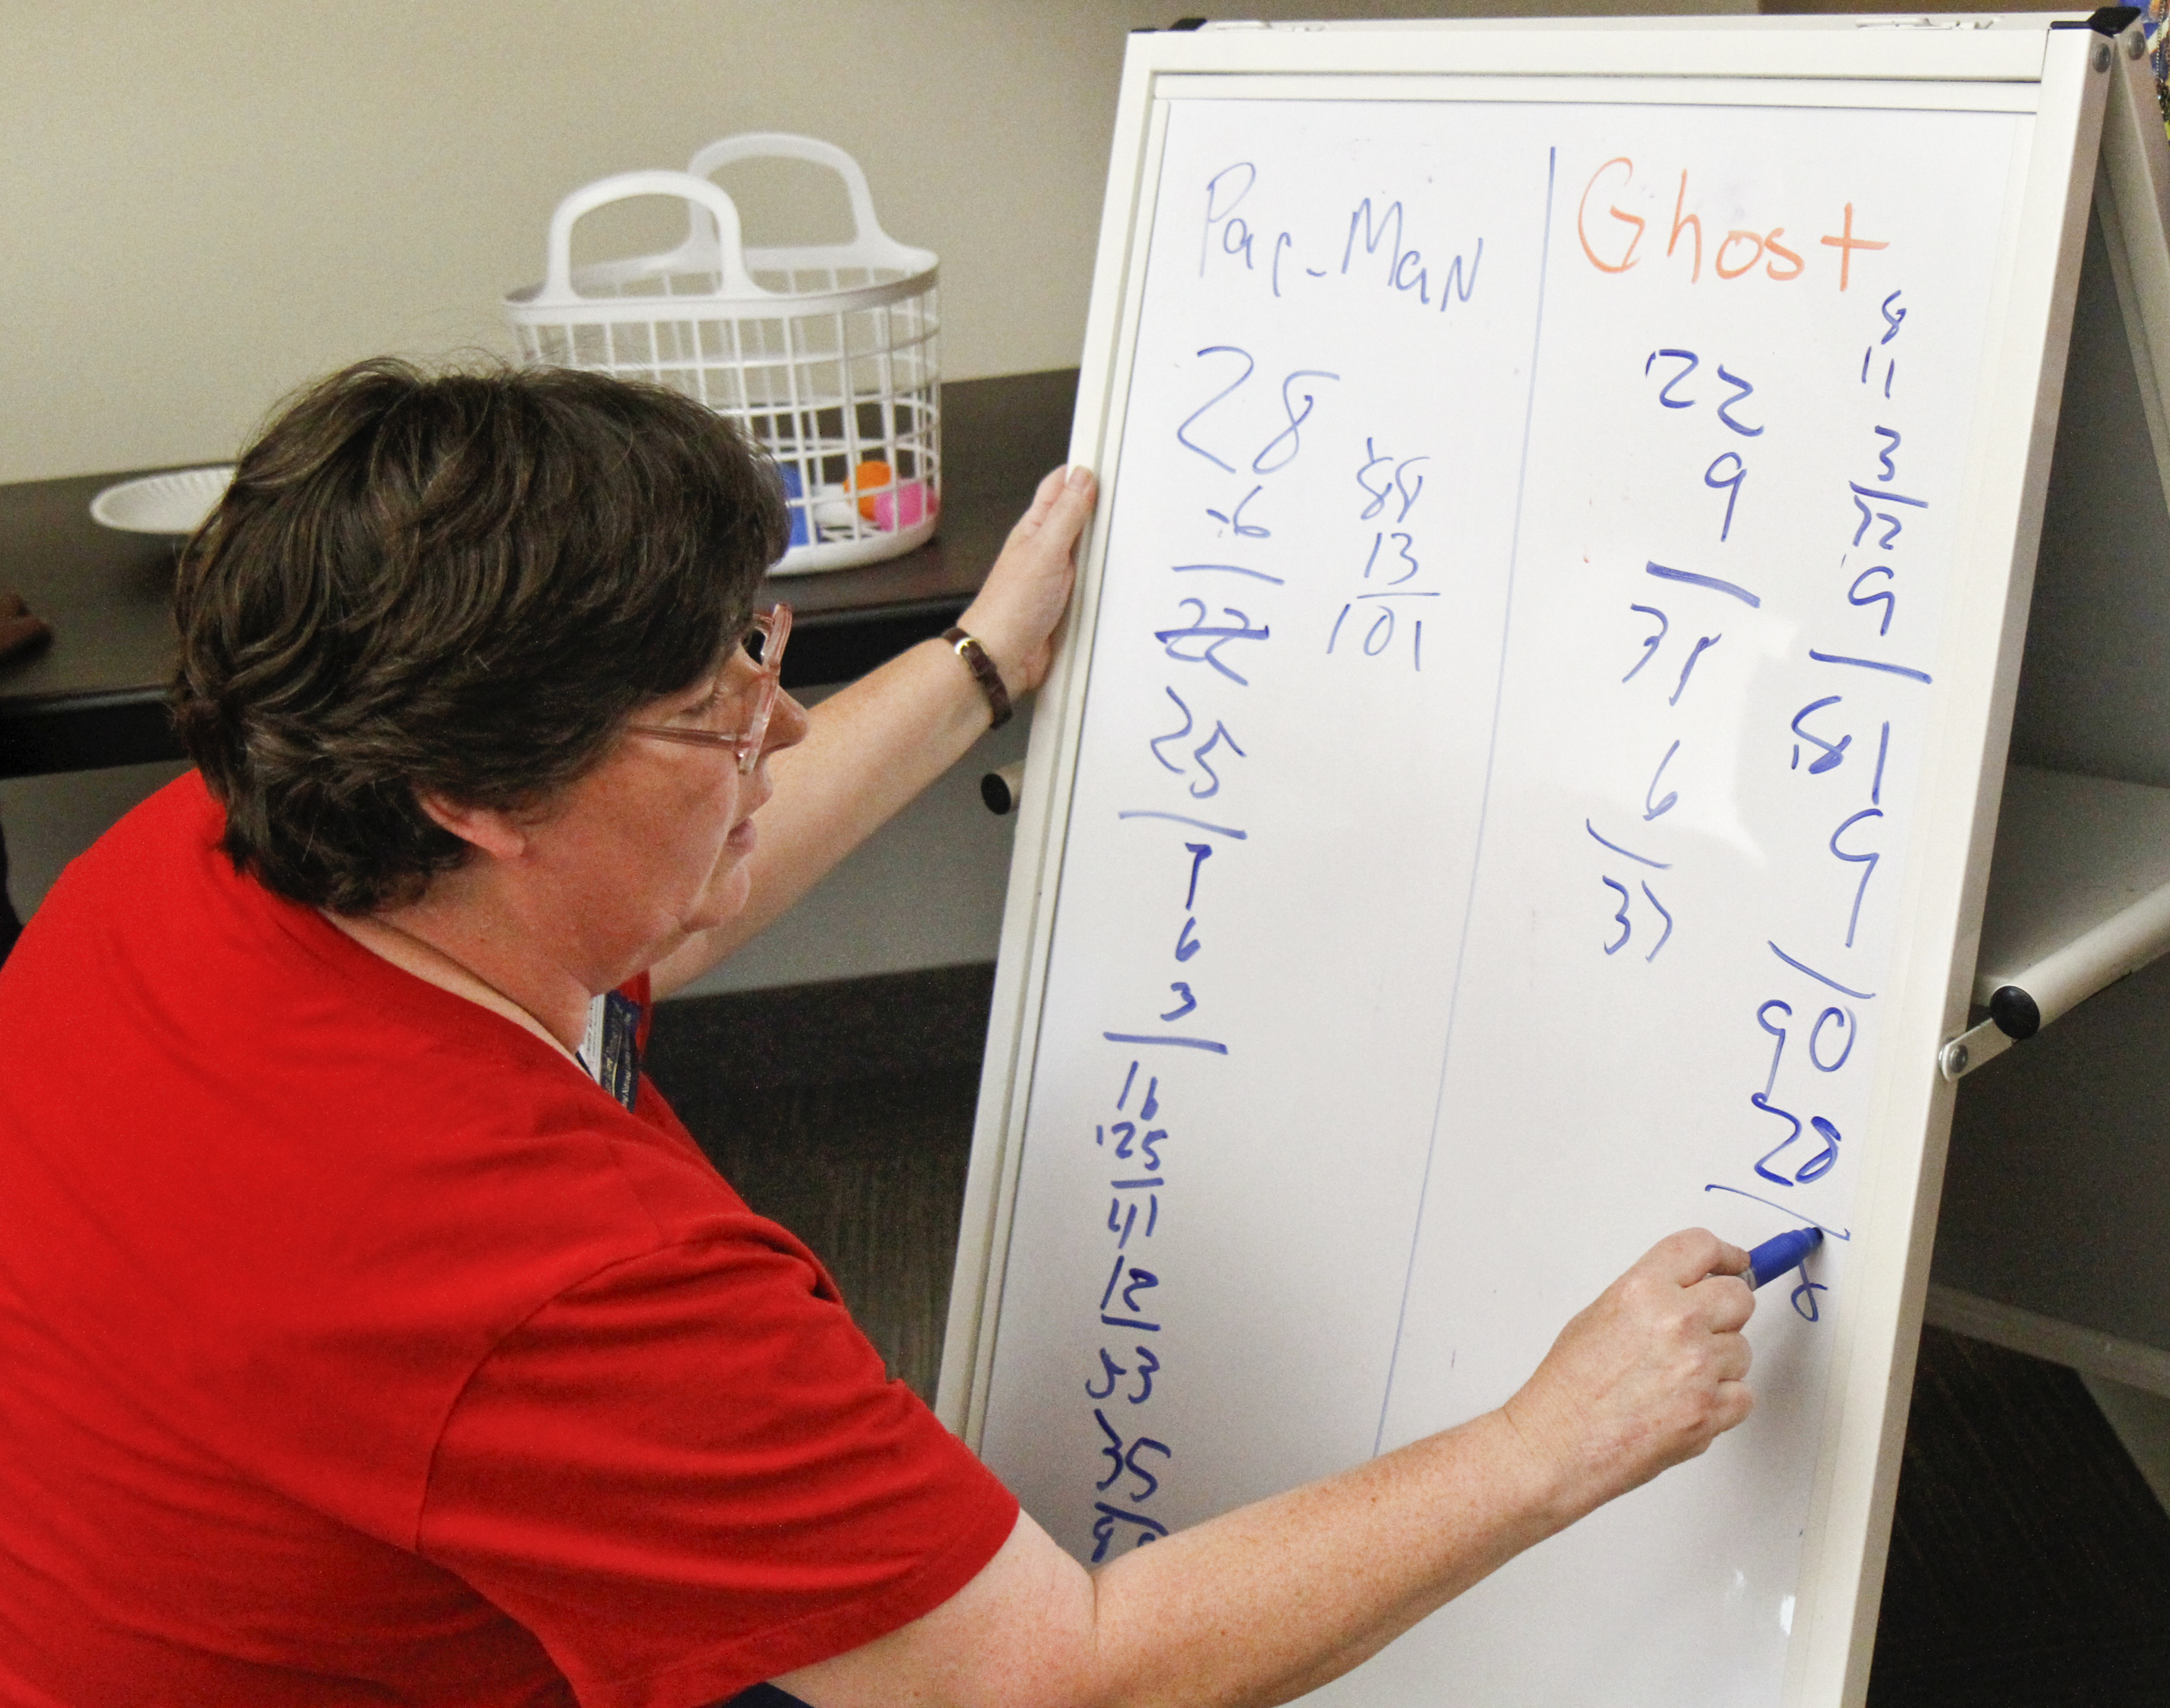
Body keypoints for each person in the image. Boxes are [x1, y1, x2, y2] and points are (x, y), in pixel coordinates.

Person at [0, 358, 1756, 1708]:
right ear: (477, 799)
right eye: (714, 703)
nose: (777, 719)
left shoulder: (247, 832)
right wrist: (1547, 1442)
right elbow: (1050, 1672)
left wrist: (983, 658)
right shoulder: (562, 1284)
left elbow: (667, 899)